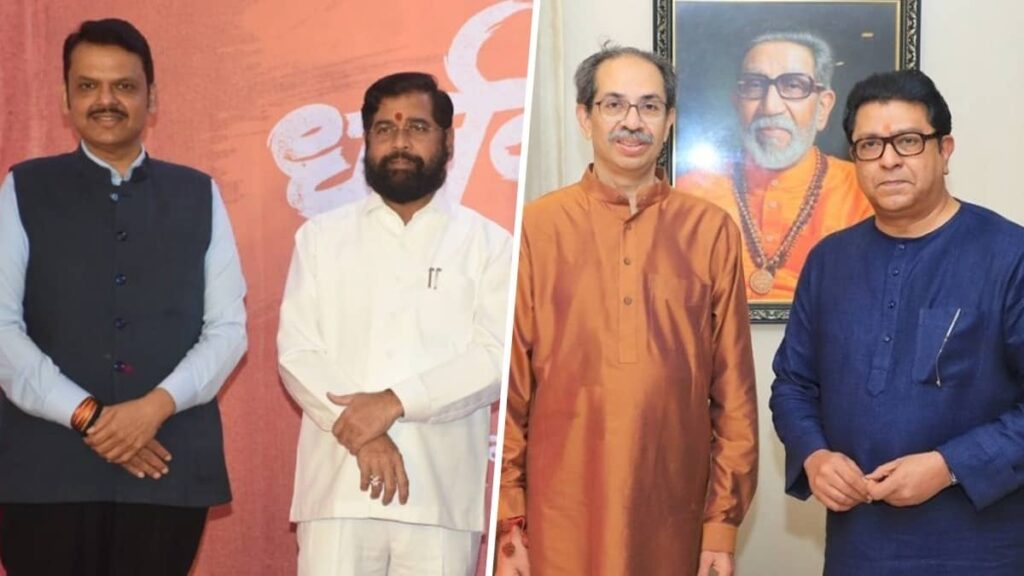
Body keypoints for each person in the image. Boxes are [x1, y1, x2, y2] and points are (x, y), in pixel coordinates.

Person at [497, 44, 758, 576]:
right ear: (584, 117)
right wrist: (509, 522)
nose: (632, 122)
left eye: (649, 106)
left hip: (674, 519)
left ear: (669, 121)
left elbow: (735, 397)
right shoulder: (537, 228)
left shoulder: (710, 232)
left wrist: (721, 525)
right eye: (614, 105)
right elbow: (511, 392)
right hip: (557, 519)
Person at [0, 18, 247, 576]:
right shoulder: (24, 187)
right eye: (88, 85)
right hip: (47, 469)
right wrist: (88, 416)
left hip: (165, 464)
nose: (106, 100)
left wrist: (152, 409)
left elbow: (228, 330)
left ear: (151, 98)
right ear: (65, 98)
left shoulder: (198, 193)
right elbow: (2, 329)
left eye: (124, 86)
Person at [770, 69, 1024, 574]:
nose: (888, 159)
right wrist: (815, 456)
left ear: (944, 150)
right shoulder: (829, 261)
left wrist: (950, 466)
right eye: (869, 145)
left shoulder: (1010, 255)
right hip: (858, 548)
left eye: (907, 141)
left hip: (983, 549)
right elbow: (793, 385)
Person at [277, 72, 510, 576]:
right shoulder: (320, 239)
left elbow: (495, 358)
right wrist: (365, 433)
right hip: (337, 488)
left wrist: (394, 403)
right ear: (367, 141)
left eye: (417, 128)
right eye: (384, 129)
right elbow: (297, 353)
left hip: (440, 497)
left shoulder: (489, 245)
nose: (399, 143)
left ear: (448, 142)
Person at [679, 31, 873, 302]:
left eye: (793, 86)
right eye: (754, 85)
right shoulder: (689, 193)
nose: (770, 107)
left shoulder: (864, 192)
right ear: (737, 103)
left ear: (823, 107)